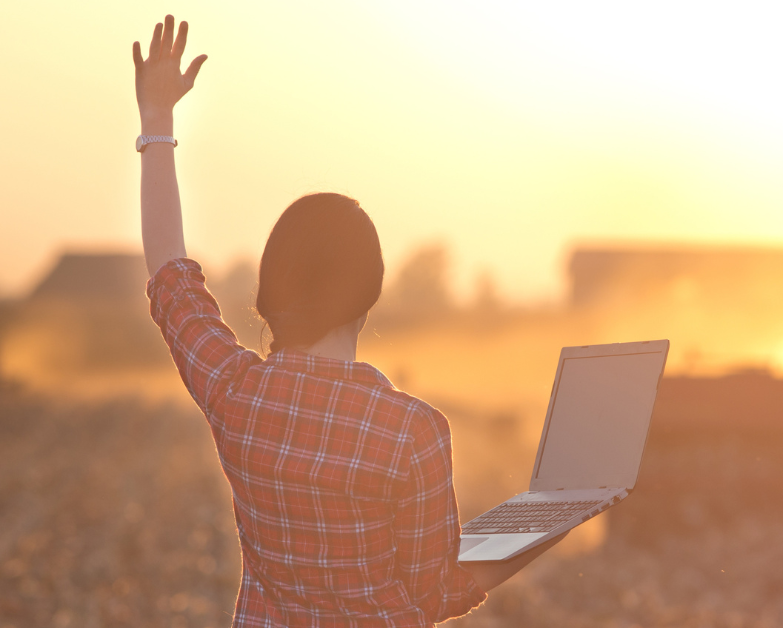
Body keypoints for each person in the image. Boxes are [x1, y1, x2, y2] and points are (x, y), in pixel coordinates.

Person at [134, 16, 561, 626]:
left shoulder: (233, 393)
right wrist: (543, 525)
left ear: (266, 290)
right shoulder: (412, 432)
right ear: (372, 294)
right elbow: (431, 595)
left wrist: (157, 120)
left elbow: (170, 277)